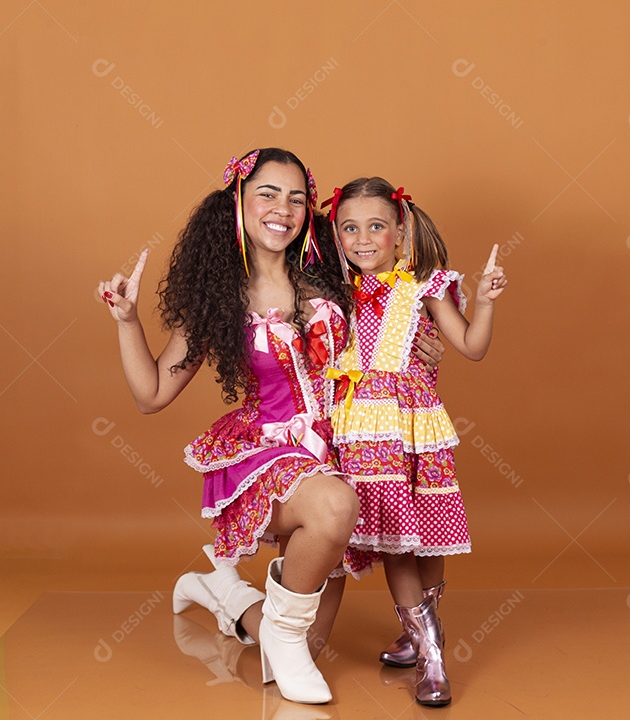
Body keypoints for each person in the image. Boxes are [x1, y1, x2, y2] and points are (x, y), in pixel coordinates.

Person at [96, 149, 444, 705]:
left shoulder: (334, 275)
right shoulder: (219, 298)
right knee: (333, 509)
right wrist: (127, 320)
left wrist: (426, 347)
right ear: (238, 198)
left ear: (310, 211)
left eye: (297, 198)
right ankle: (276, 627)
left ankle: (224, 593)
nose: (282, 208)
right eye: (267, 193)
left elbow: (392, 315)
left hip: (344, 449)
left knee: (309, 647)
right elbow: (152, 394)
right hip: (273, 454)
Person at [325, 177, 508, 706]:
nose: (363, 239)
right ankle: (430, 652)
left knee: (420, 537)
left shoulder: (423, 288)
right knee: (395, 544)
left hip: (410, 425)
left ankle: (426, 640)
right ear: (335, 235)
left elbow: (471, 346)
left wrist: (489, 301)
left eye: (376, 226)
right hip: (357, 427)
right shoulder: (332, 293)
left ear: (400, 231)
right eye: (349, 228)